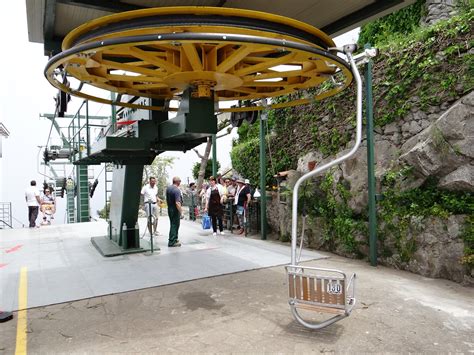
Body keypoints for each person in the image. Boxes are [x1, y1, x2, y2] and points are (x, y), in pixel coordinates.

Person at [166, 177, 183, 247]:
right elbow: (177, 203)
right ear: (178, 182)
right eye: (180, 181)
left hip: (170, 208)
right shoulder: (176, 190)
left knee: (173, 223)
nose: (180, 183)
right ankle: (172, 241)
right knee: (175, 225)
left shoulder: (168, 188)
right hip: (175, 209)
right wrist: (181, 212)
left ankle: (175, 238)